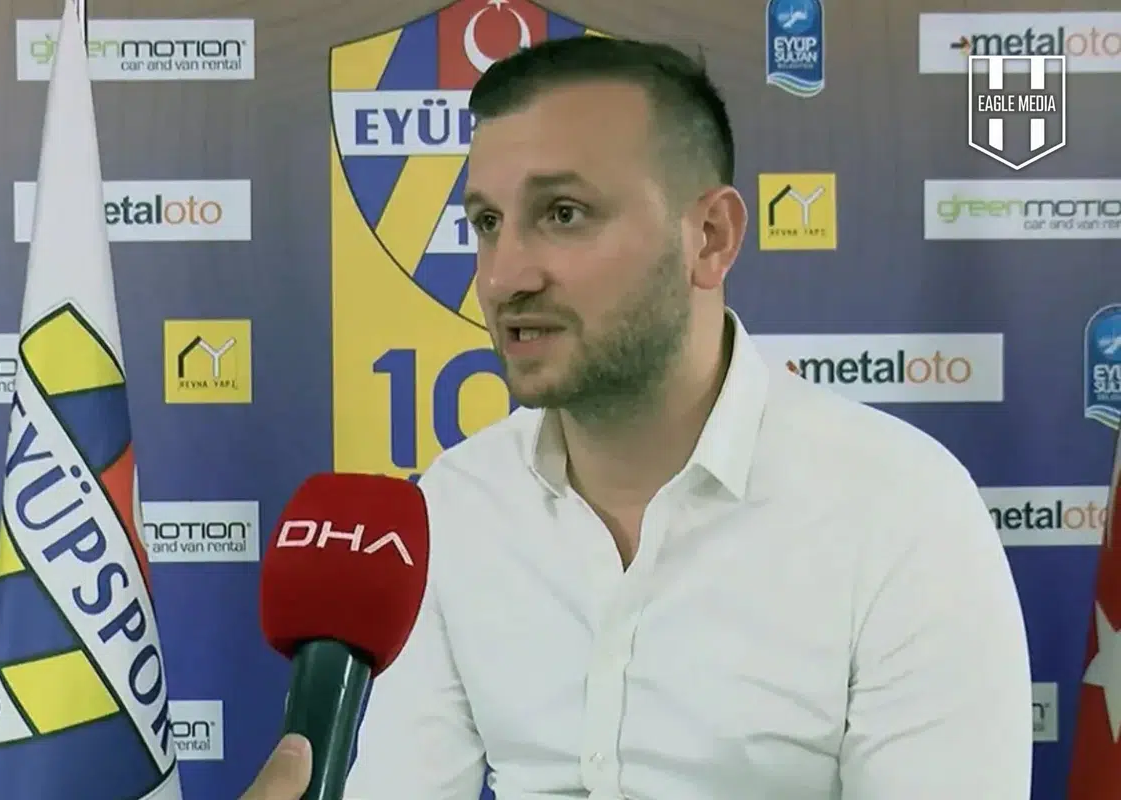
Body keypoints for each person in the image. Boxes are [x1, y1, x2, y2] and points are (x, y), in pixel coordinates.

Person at [256, 34, 1033, 799]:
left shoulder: (901, 511)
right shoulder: (455, 504)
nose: (502, 277)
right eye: (487, 223)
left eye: (563, 213)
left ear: (710, 238)